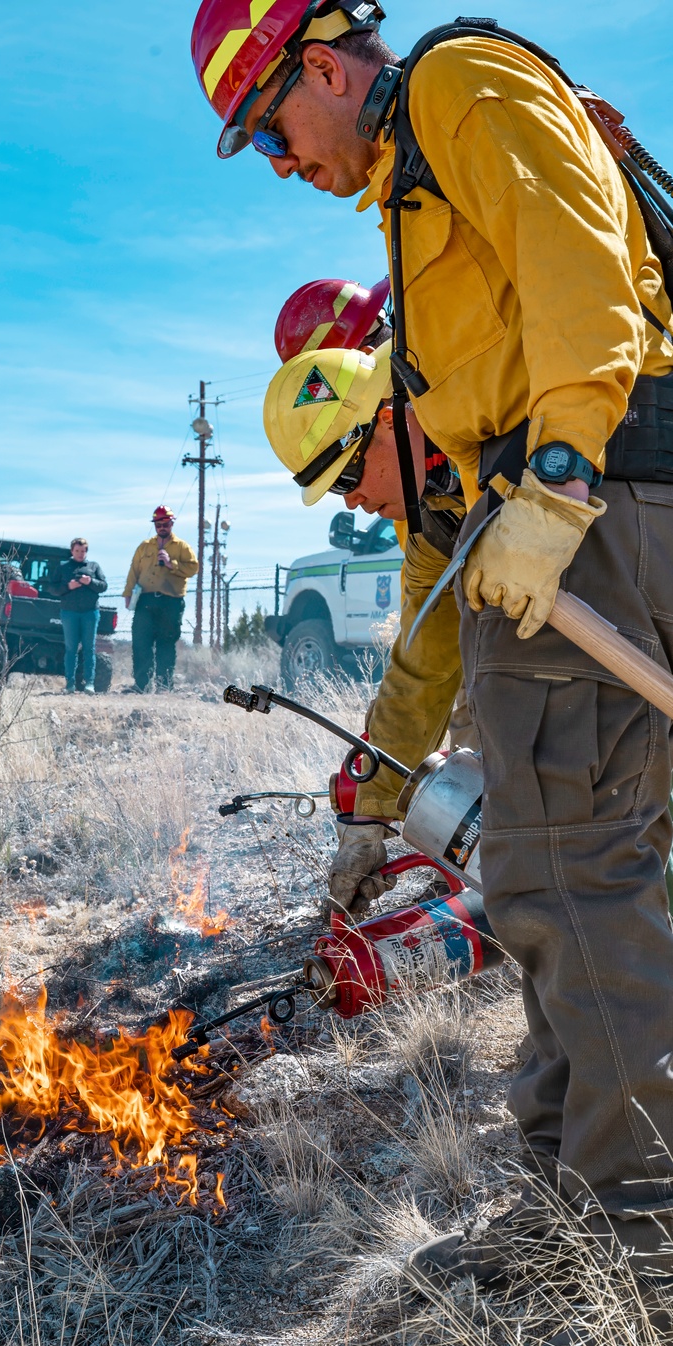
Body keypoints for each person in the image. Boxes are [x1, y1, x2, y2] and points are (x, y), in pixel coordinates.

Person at [193, 2, 673, 1300]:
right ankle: (577, 1203)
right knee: (543, 883)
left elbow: (580, 250)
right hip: (553, 530)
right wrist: (385, 790)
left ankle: (645, 1246)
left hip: (597, 503)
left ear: (327, 68)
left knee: (585, 882)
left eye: (272, 130)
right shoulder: (411, 205)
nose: (284, 165)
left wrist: (563, 471)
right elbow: (430, 595)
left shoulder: (459, 85)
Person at [264, 308, 470, 916]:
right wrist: (370, 818)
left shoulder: (493, 425)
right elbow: (423, 670)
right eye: (334, 490)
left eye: (348, 474)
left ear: (386, 418)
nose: (352, 500)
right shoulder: (435, 523)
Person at [123, 507, 199, 691]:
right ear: (155, 526)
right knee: (141, 643)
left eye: (165, 524)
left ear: (171, 524)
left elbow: (193, 568)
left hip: (171, 602)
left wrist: (171, 563)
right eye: (158, 524)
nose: (162, 527)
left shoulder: (181, 547)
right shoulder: (145, 546)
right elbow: (134, 570)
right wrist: (127, 593)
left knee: (166, 644)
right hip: (146, 601)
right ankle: (142, 686)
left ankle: (164, 686)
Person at [48, 537, 107, 694]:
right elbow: (52, 588)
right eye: (77, 551)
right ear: (72, 551)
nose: (80, 554)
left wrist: (90, 582)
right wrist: (68, 586)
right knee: (71, 648)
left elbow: (103, 586)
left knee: (89, 648)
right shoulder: (63, 568)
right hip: (69, 613)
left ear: (86, 551)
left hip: (90, 613)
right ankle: (70, 684)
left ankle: (89, 684)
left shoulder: (94, 566)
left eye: (83, 551)